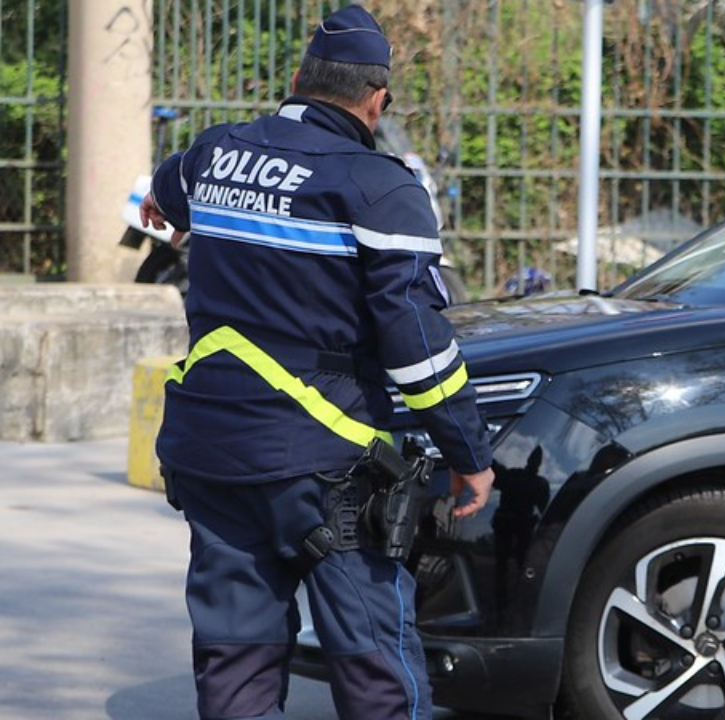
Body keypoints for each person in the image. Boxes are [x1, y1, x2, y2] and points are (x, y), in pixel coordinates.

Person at [139, 6, 494, 719]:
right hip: (328, 469)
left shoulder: (215, 152)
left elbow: (163, 190)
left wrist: (163, 200)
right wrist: (469, 451)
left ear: (297, 80)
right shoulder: (380, 188)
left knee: (233, 662)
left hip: (211, 453)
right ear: (377, 99)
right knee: (375, 673)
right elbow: (415, 344)